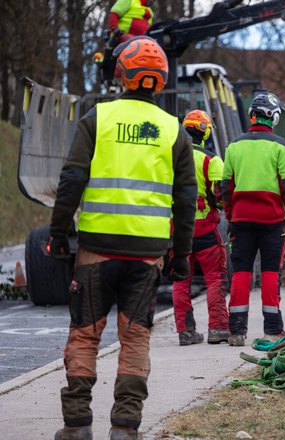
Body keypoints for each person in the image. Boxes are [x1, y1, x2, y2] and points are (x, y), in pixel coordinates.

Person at [49, 36, 196, 440]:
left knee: (84, 333)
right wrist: (181, 254)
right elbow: (187, 200)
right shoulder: (173, 130)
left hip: (96, 250)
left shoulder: (97, 118)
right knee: (135, 338)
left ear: (121, 76)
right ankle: (125, 427)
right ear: (161, 80)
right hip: (147, 256)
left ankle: (77, 425)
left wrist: (59, 232)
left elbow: (72, 179)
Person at [220, 91, 285, 347]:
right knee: (270, 272)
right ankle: (273, 329)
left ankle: (236, 331)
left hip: (241, 220)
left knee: (241, 272)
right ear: (273, 118)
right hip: (272, 220)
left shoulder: (233, 147)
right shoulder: (280, 146)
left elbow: (225, 187)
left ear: (251, 115)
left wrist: (232, 216)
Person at [172, 109, 230, 346]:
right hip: (206, 231)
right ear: (205, 132)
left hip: (177, 231)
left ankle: (185, 332)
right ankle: (217, 329)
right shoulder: (212, 159)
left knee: (180, 281)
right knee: (215, 279)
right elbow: (220, 197)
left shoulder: (170, 158)